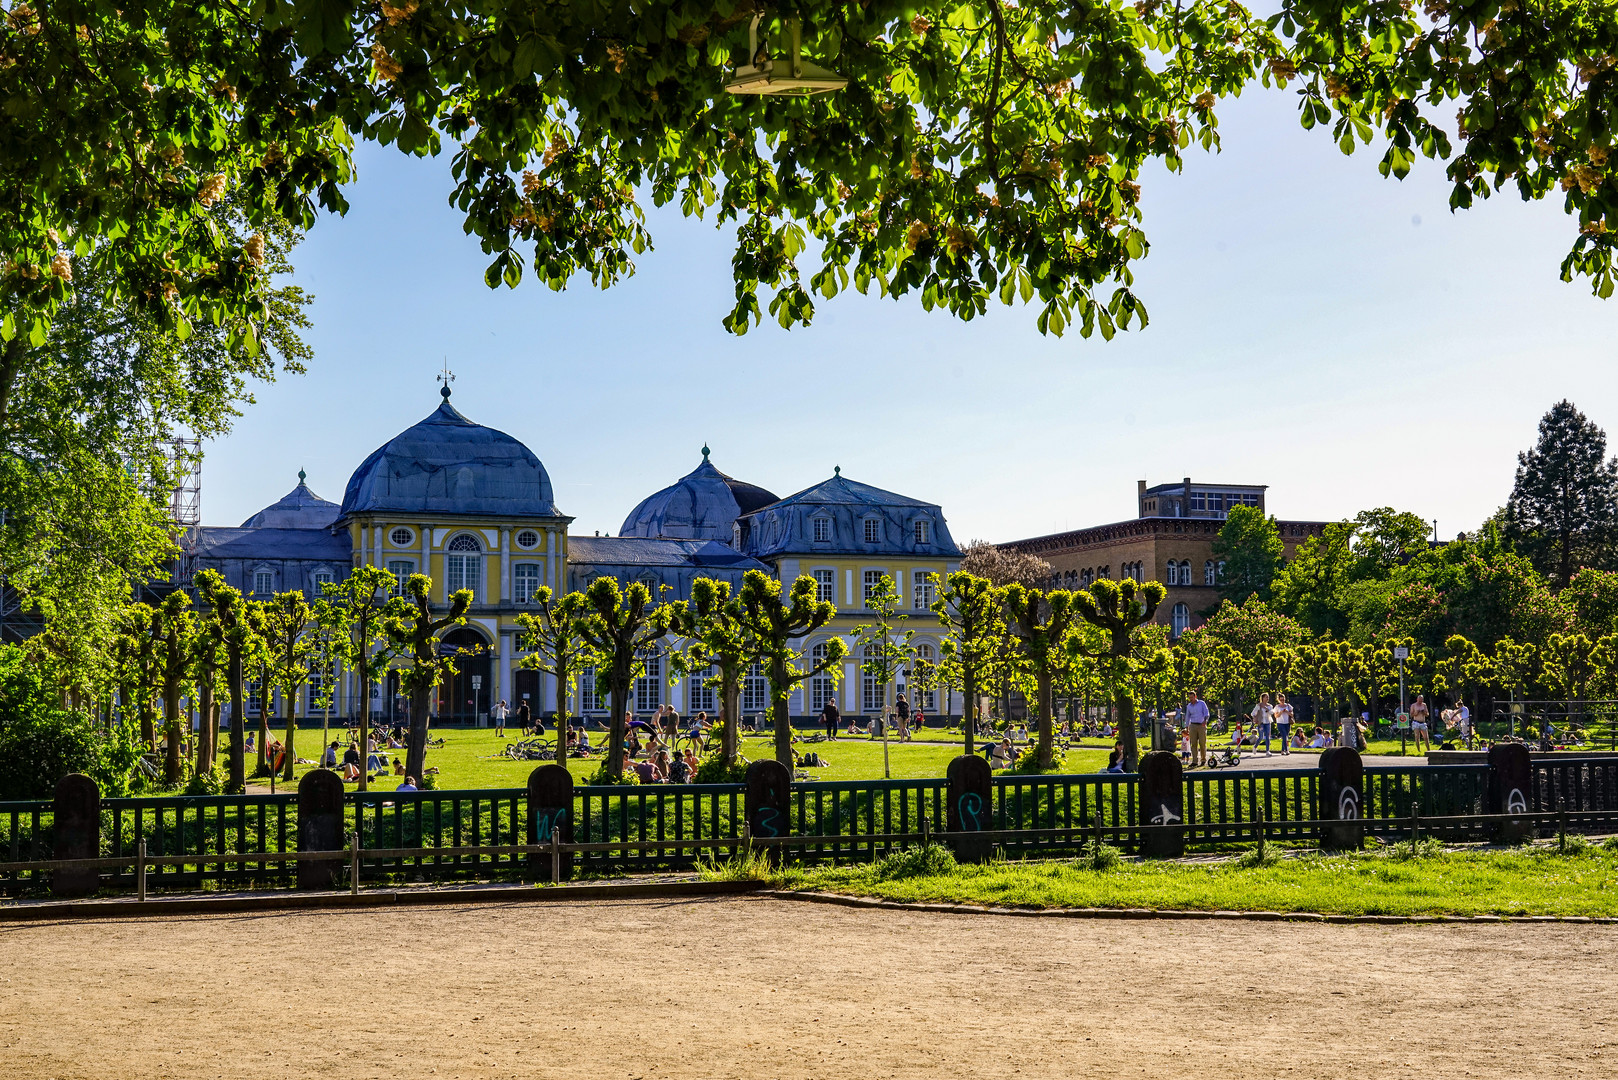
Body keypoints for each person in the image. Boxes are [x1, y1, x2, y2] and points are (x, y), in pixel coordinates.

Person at [1184, 690, 1210, 767]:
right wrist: (1187, 727)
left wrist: (1205, 721)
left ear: (1195, 697)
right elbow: (1187, 716)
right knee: (1193, 744)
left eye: (1192, 697)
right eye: (1189, 698)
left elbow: (1206, 713)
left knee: (1202, 743)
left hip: (1201, 725)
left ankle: (1203, 760)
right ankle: (1195, 761)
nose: (1191, 699)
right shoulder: (1189, 706)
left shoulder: (1201, 703)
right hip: (1193, 725)